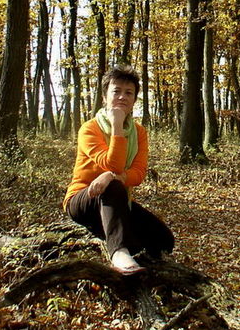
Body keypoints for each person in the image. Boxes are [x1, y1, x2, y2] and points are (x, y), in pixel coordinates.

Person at [63, 65, 174, 274]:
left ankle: (123, 241)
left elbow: (138, 174)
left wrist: (111, 176)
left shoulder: (139, 132)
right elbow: (112, 164)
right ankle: (118, 252)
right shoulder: (90, 128)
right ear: (105, 97)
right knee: (113, 186)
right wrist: (116, 126)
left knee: (164, 240)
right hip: (82, 199)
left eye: (129, 93)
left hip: (118, 200)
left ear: (134, 100)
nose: (122, 97)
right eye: (116, 91)